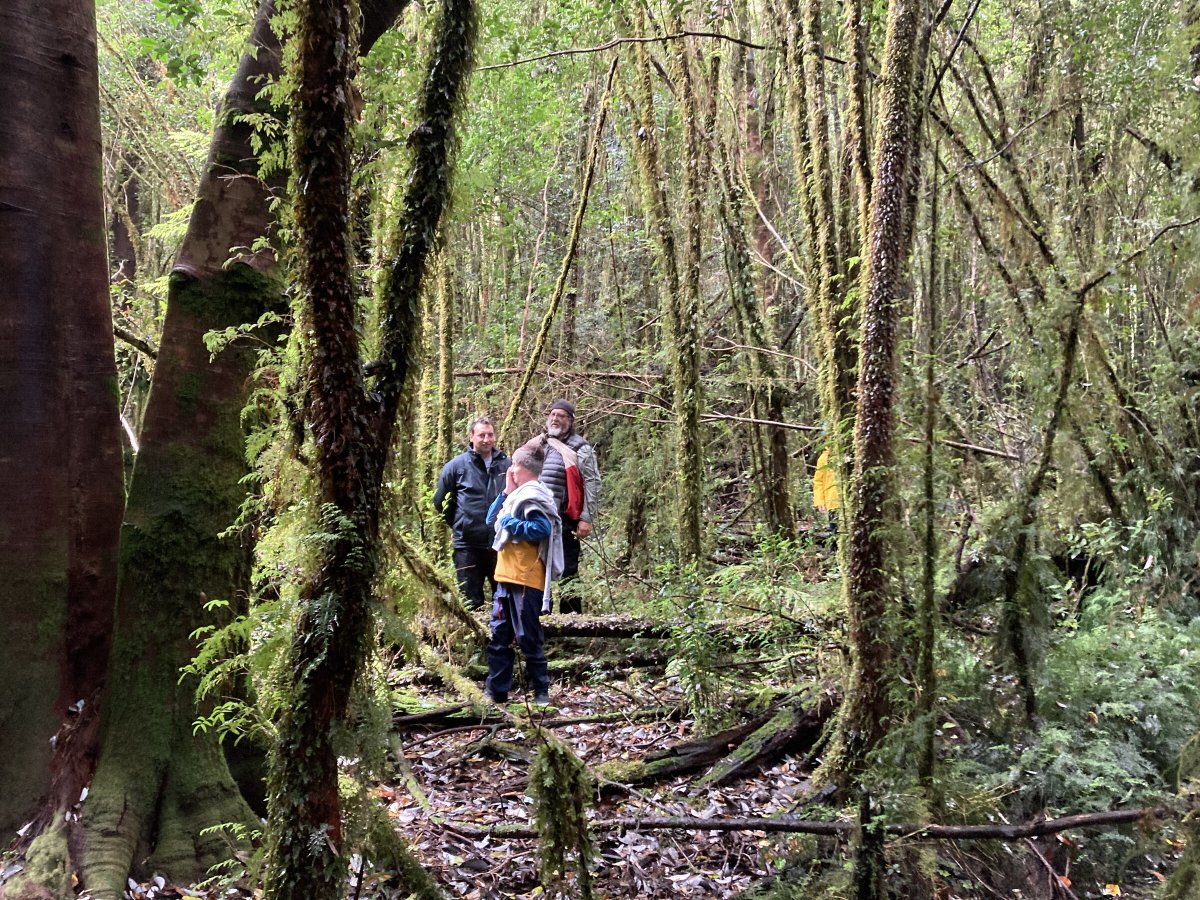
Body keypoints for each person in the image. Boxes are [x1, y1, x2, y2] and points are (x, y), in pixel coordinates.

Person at [484, 446, 563, 705]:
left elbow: (541, 528)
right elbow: (490, 519)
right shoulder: (515, 496)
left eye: (514, 466)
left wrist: (509, 523)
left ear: (522, 468)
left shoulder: (533, 496)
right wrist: (506, 491)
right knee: (499, 637)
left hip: (527, 579)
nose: (510, 470)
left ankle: (541, 693)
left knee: (528, 637)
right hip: (505, 577)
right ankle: (496, 693)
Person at [521, 399, 600, 613]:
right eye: (553, 414)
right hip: (535, 518)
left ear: (570, 421)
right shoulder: (537, 444)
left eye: (561, 415)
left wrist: (586, 518)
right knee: (535, 567)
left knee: (568, 570)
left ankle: (571, 620)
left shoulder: (580, 448)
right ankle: (536, 615)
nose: (555, 418)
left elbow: (592, 482)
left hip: (565, 520)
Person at [433, 416, 510, 610]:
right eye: (481, 435)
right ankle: (474, 641)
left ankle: (503, 639)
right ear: (471, 437)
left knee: (503, 598)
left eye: (490, 434)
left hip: (499, 543)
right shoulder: (456, 466)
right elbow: (439, 501)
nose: (486, 439)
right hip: (467, 545)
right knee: (470, 601)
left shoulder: (506, 465)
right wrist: (460, 523)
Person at [812, 447, 840, 540]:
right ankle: (834, 553)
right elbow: (818, 481)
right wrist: (820, 501)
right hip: (832, 502)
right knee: (835, 532)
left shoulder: (848, 452)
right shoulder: (824, 458)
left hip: (849, 501)